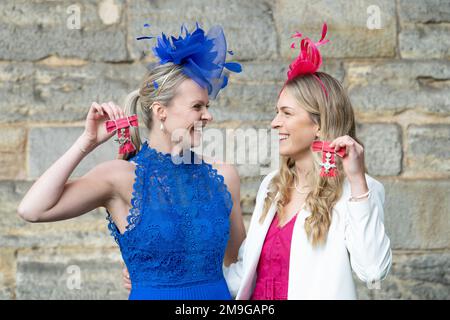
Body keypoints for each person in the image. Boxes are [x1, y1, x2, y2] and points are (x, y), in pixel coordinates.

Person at [18, 23, 246, 300]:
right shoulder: (120, 176)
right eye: (197, 106)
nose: (207, 116)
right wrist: (86, 143)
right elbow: (32, 210)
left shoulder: (223, 175)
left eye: (207, 107)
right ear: (161, 111)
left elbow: (239, 264)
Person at [222, 23, 392, 300]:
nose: (275, 123)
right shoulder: (272, 186)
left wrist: (358, 181)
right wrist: (177, 281)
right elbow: (245, 274)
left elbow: (373, 270)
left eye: (287, 113)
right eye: (277, 112)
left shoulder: (357, 192)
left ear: (320, 125)